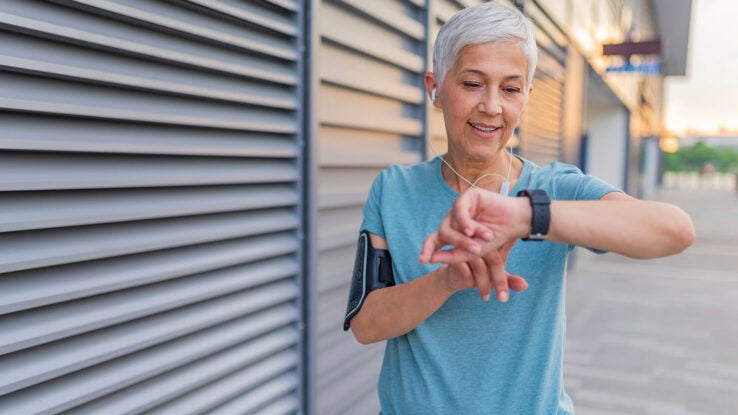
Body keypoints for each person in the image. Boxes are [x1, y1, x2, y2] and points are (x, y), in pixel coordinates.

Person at [343, 2, 696, 414]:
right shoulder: (394, 189)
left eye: (510, 89)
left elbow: (675, 230)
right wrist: (448, 279)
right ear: (435, 88)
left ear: (527, 97)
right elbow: (367, 325)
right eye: (473, 83)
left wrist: (527, 216)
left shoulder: (553, 188)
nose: (492, 106)